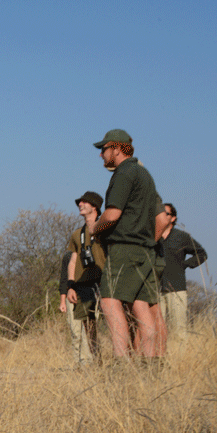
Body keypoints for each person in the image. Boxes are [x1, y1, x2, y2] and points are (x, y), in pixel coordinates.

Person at [92, 130, 164, 359]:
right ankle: (151, 365)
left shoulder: (124, 173)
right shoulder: (146, 175)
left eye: (104, 149)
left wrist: (95, 228)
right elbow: (160, 220)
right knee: (142, 307)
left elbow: (112, 215)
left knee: (109, 302)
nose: (101, 155)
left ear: (116, 148)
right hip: (146, 251)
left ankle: (121, 364)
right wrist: (145, 240)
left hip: (124, 249)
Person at [64, 191, 105, 366]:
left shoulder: (107, 228)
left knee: (110, 322)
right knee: (87, 324)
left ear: (94, 207)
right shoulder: (76, 234)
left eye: (84, 202)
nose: (80, 204)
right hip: (83, 285)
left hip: (103, 283)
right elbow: (72, 261)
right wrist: (70, 286)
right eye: (79, 202)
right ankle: (92, 362)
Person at [159, 203, 208, 340]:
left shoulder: (181, 236)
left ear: (173, 218)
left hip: (176, 287)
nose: (162, 215)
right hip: (155, 288)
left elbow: (201, 253)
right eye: (159, 213)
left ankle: (180, 359)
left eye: (166, 213)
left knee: (178, 329)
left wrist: (185, 264)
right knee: (156, 329)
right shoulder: (152, 236)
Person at [58, 251, 94, 365]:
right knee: (76, 330)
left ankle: (94, 359)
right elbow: (64, 279)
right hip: (71, 295)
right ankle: (80, 361)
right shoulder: (68, 255)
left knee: (90, 329)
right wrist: (62, 301)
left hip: (89, 293)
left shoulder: (91, 249)